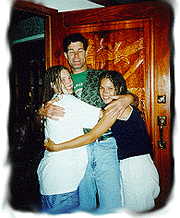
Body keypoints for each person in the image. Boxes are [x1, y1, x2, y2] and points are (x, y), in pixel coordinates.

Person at [38, 33, 138, 212]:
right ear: (66, 55)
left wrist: (128, 98)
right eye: (71, 52)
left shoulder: (101, 76)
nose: (76, 56)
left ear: (86, 53)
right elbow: (45, 116)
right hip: (76, 150)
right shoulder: (59, 82)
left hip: (104, 144)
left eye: (80, 51)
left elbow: (133, 99)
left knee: (111, 203)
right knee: (83, 205)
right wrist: (41, 111)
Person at [45, 70, 160, 213]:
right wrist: (42, 110)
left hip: (137, 168)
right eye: (101, 88)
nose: (104, 92)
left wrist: (57, 147)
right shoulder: (116, 106)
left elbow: (92, 136)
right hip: (128, 164)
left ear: (119, 89)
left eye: (110, 88)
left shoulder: (115, 107)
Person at [37, 65, 102, 214]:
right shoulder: (67, 100)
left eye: (69, 78)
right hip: (62, 181)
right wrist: (124, 101)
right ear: (53, 85)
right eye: (63, 79)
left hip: (53, 179)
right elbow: (101, 115)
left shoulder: (53, 101)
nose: (69, 82)